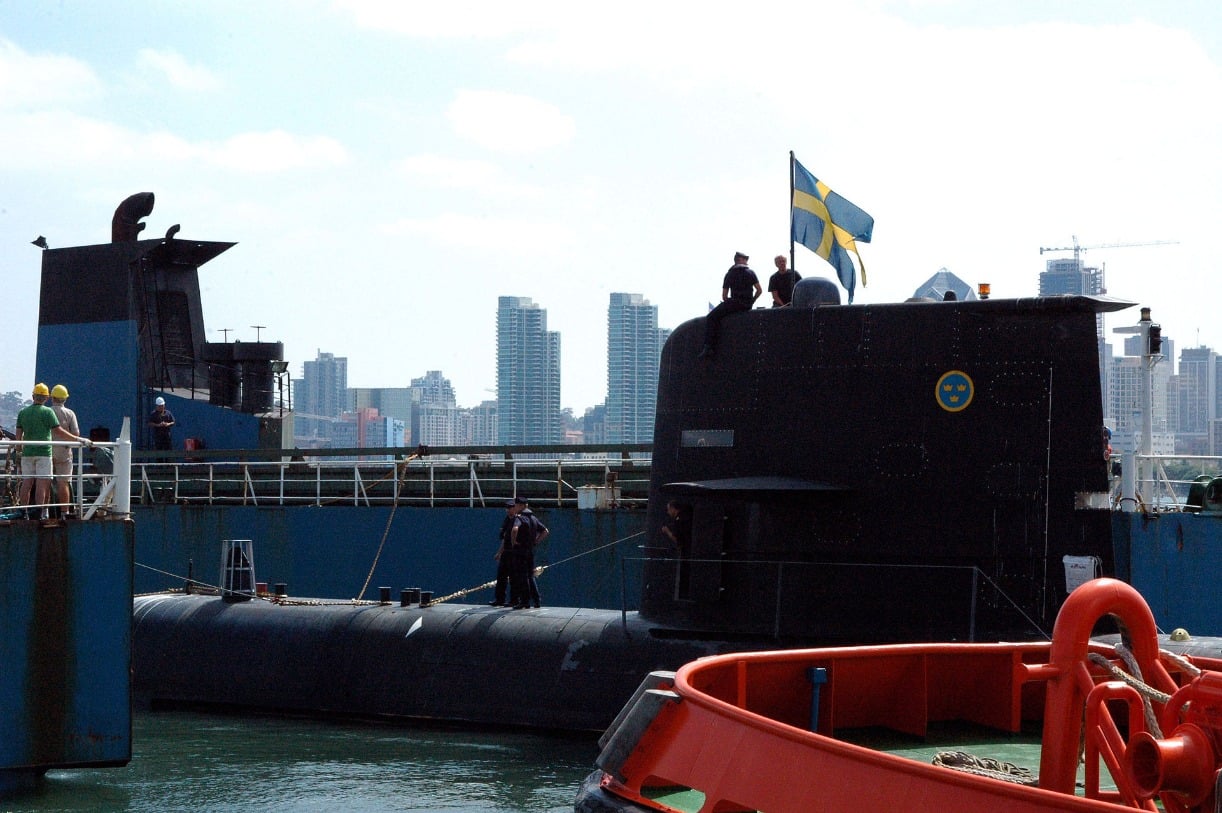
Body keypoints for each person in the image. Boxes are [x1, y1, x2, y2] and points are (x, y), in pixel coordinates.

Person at [15, 382, 92, 518]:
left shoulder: (23, 412)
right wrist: (78, 439)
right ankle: (53, 512)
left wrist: (19, 449)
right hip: (46, 452)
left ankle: (25, 511)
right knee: (46, 482)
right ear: (46, 397)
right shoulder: (50, 412)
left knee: (27, 482)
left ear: (33, 396)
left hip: (28, 453)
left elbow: (18, 436)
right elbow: (59, 430)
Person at [700, 251, 761, 358]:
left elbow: (724, 295)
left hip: (735, 304)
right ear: (740, 260)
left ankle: (708, 347)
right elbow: (759, 290)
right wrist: (752, 301)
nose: (747, 262)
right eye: (745, 259)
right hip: (747, 304)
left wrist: (728, 303)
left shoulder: (730, 274)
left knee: (711, 317)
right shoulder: (751, 272)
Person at [49, 384, 81, 511]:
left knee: (45, 482)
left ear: (52, 398)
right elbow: (76, 433)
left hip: (47, 450)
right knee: (63, 483)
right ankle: (65, 512)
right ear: (65, 399)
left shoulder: (47, 412)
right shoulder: (70, 413)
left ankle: (45, 511)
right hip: (64, 450)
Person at [489, 498, 524, 606]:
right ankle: (500, 599)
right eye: (507, 508)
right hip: (506, 552)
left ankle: (514, 600)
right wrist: (500, 552)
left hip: (513, 552)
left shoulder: (517, 520)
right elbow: (505, 538)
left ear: (515, 508)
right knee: (501, 576)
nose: (508, 510)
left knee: (514, 577)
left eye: (510, 508)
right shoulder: (507, 520)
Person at [517, 503, 550, 608]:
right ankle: (537, 600)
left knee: (523, 576)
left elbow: (514, 530)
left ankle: (524, 601)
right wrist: (536, 541)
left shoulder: (520, 518)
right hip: (531, 550)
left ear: (521, 506)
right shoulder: (534, 519)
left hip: (522, 550)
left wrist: (514, 542)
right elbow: (545, 531)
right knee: (530, 576)